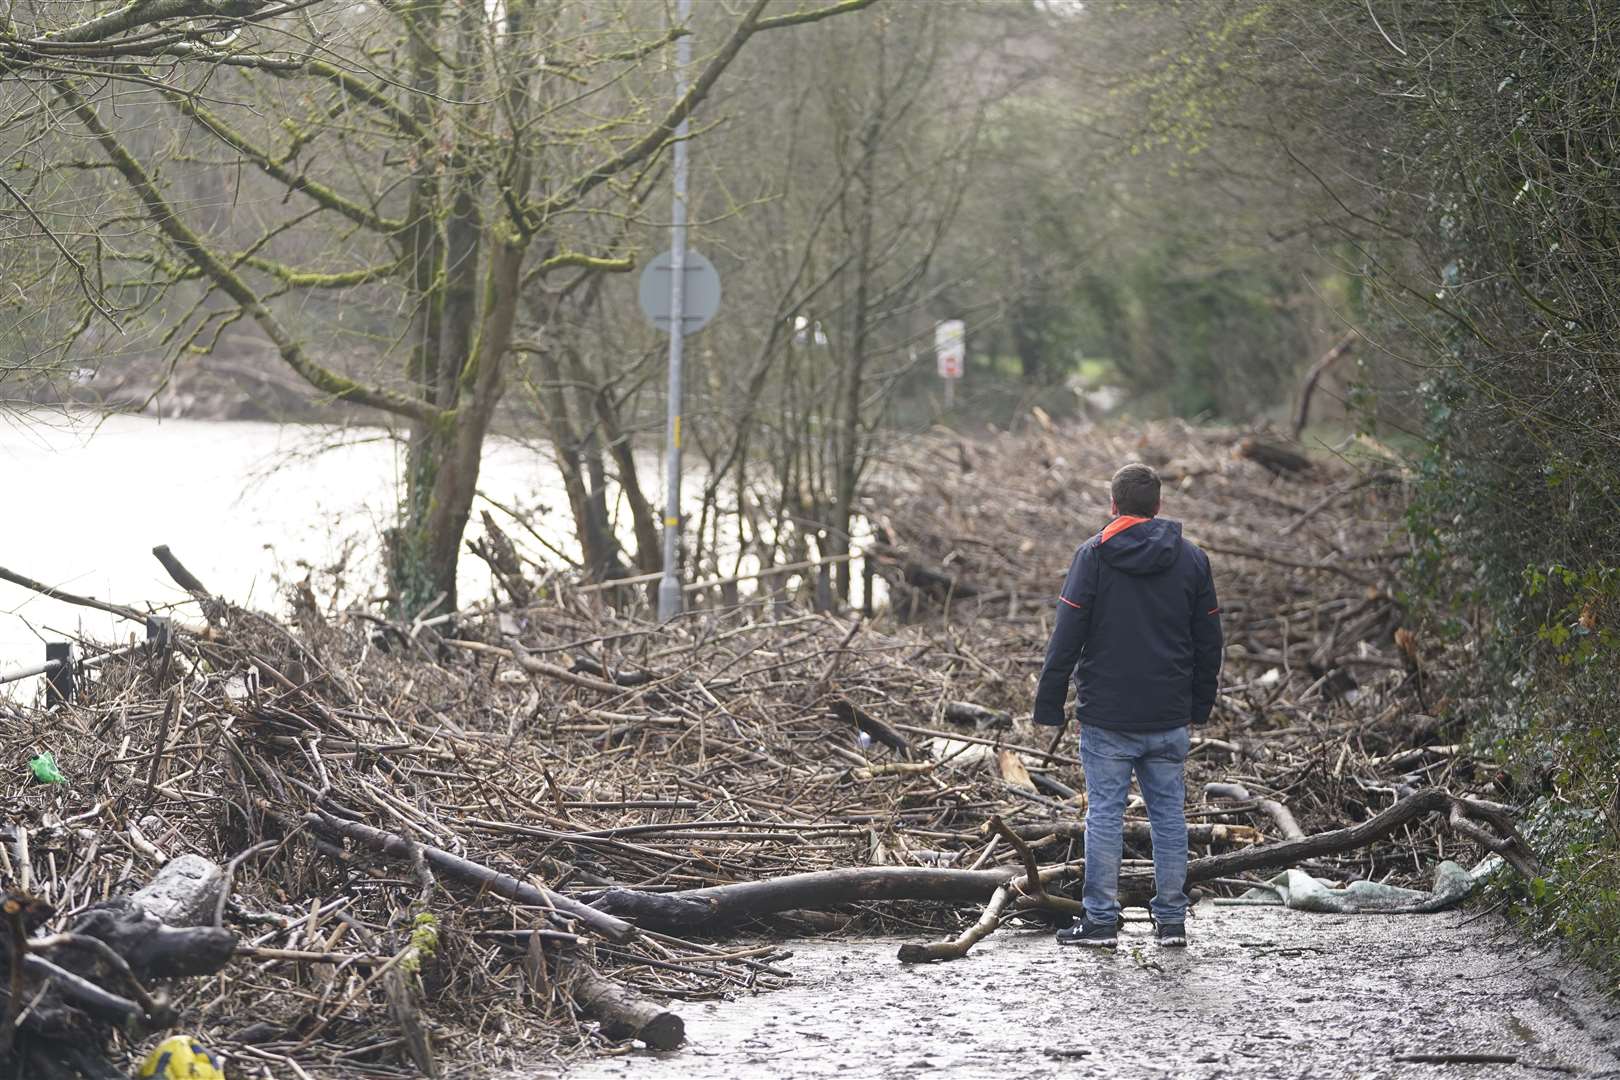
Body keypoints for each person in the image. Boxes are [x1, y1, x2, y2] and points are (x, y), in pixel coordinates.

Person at [1033, 462, 1222, 948]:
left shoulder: (1092, 557)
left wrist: (1049, 704)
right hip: (1168, 716)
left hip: (1107, 719)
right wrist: (1200, 705)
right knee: (1169, 819)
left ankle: (1099, 921)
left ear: (1113, 505)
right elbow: (1210, 642)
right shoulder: (1192, 559)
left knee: (1104, 817)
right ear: (1158, 507)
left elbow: (1066, 636)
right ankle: (1172, 922)